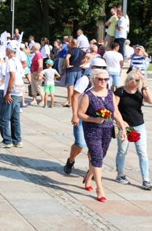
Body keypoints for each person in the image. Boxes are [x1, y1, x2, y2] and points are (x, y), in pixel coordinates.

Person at [77, 70, 127, 202]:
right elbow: (80, 114)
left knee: (101, 156)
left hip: (107, 130)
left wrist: (123, 128)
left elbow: (115, 112)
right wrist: (94, 119)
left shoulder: (110, 94)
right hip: (92, 130)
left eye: (106, 79)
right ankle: (100, 188)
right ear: (94, 79)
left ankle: (88, 176)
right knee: (97, 156)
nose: (103, 81)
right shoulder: (88, 95)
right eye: (100, 79)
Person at [114, 71, 152, 190]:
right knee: (122, 151)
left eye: (137, 80)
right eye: (132, 79)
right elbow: (114, 108)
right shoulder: (120, 91)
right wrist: (121, 123)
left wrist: (145, 84)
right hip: (125, 125)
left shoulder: (140, 92)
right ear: (128, 79)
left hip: (139, 125)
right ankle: (120, 174)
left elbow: (150, 100)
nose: (135, 82)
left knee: (142, 153)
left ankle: (146, 179)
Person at [0, 41, 25, 148]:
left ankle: (7, 140)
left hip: (13, 92)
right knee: (15, 118)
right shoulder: (17, 61)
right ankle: (17, 140)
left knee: (4, 118)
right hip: (18, 92)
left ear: (8, 50)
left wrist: (8, 93)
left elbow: (12, 76)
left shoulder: (10, 62)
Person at [63, 39, 86, 107]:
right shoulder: (81, 51)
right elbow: (89, 56)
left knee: (70, 86)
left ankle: (70, 101)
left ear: (72, 43)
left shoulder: (71, 51)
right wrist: (84, 63)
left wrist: (68, 65)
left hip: (71, 70)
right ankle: (77, 100)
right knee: (77, 86)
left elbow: (67, 58)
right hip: (79, 70)